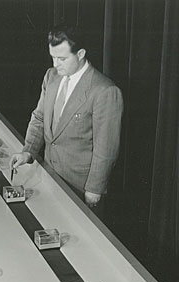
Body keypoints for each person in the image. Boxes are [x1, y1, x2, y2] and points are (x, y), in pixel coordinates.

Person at [10, 25, 123, 209]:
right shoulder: (51, 76)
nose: (55, 64)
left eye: (61, 58)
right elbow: (39, 118)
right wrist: (27, 151)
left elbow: (106, 149)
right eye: (53, 57)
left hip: (80, 187)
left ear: (80, 54)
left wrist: (94, 190)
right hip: (48, 177)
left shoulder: (105, 91)